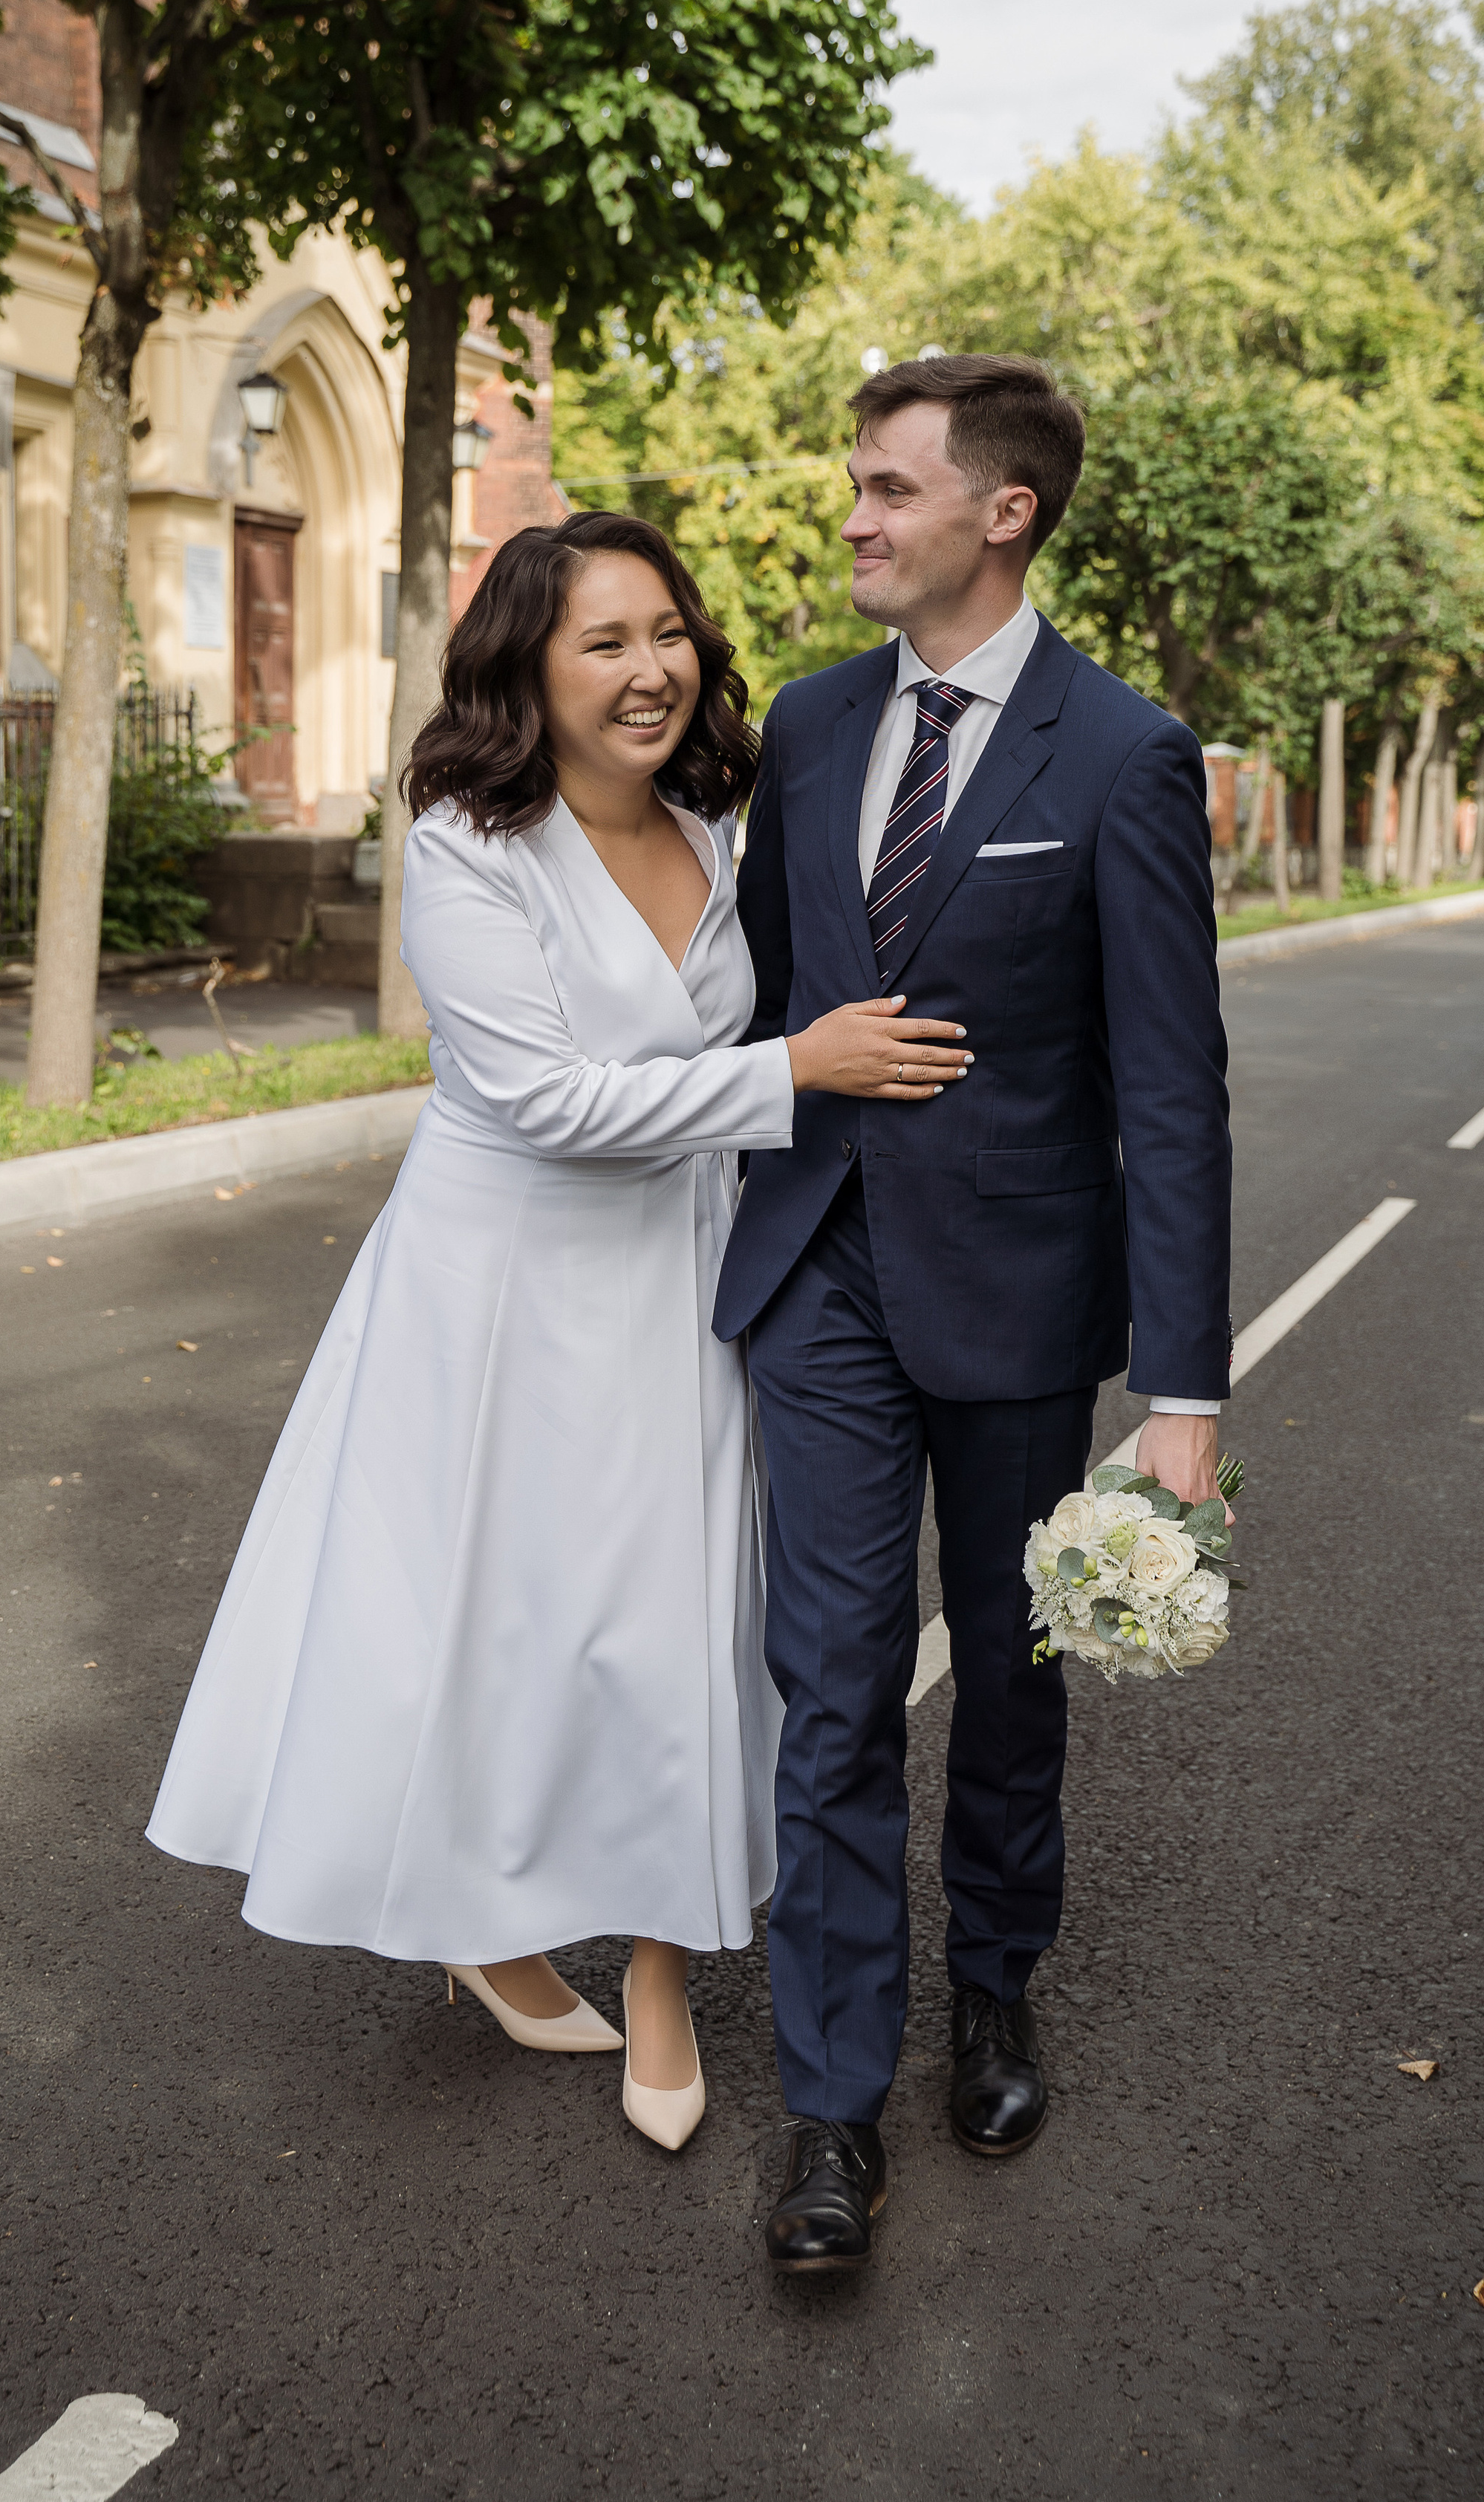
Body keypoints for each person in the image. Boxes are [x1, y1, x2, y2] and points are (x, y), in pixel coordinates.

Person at [147, 510, 972, 2151]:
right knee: (485, 1620)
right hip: (496, 1285)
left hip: (680, 1270)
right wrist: (796, 1069)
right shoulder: (465, 837)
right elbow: (539, 1098)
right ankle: (488, 1925)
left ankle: (662, 1968)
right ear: (527, 663)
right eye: (603, 641)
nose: (647, 668)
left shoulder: (715, 826)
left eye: (665, 632)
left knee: (677, 1620)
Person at [715, 354, 1232, 2268]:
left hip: (1021, 1292)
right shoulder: (803, 722)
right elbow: (765, 1003)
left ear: (998, 513)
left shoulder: (1118, 753)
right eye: (851, 485)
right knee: (833, 1684)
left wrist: (1179, 1386)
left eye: (883, 488)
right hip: (820, 1277)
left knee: (1006, 1682)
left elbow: (1168, 1086)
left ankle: (994, 1976)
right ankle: (831, 2109)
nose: (849, 514)